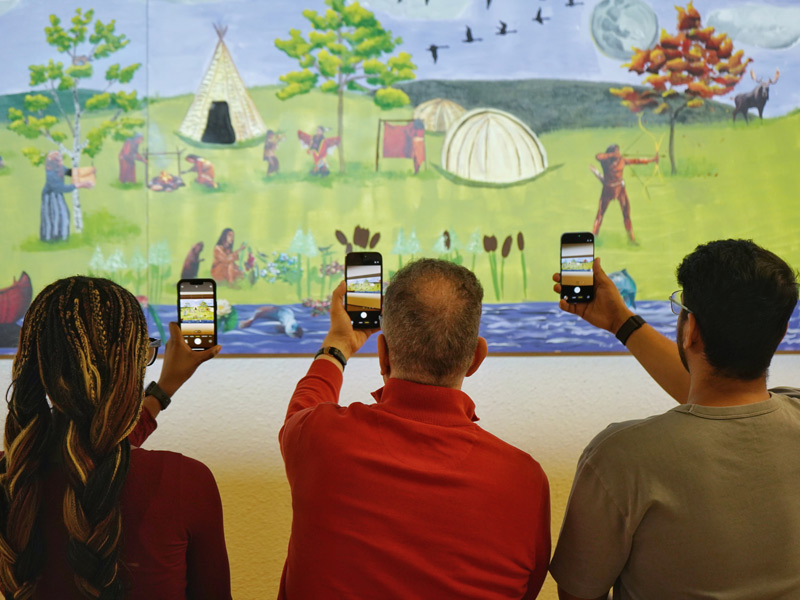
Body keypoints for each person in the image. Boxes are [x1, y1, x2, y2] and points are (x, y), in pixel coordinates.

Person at [279, 259, 551, 599]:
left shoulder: (319, 438)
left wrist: (339, 343)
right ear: (476, 358)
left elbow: (302, 408)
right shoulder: (525, 480)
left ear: (382, 355)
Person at [549, 239, 800, 600]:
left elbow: (578, 594)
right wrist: (621, 322)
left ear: (690, 329)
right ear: (781, 332)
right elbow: (721, 397)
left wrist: (624, 323)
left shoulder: (620, 458)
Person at [0, 276, 231, 599]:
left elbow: (96, 450)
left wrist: (163, 390)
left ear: (33, 362)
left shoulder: (12, 476)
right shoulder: (185, 481)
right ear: (130, 366)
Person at [591, 144, 658, 243]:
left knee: (626, 215)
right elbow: (598, 156)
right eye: (616, 151)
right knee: (600, 214)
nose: (618, 153)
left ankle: (631, 239)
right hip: (607, 190)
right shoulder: (605, 161)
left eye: (618, 151)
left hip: (620, 190)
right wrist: (612, 155)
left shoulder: (622, 160)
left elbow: (637, 161)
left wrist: (652, 160)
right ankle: (593, 237)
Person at [40, 151, 92, 242]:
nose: (61, 161)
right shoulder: (50, 174)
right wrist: (80, 185)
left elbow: (70, 172)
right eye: (59, 159)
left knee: (63, 215)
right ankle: (51, 239)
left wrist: (88, 172)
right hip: (50, 198)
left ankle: (62, 238)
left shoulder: (59, 168)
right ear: (54, 162)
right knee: (54, 217)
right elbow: (62, 188)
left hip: (57, 196)